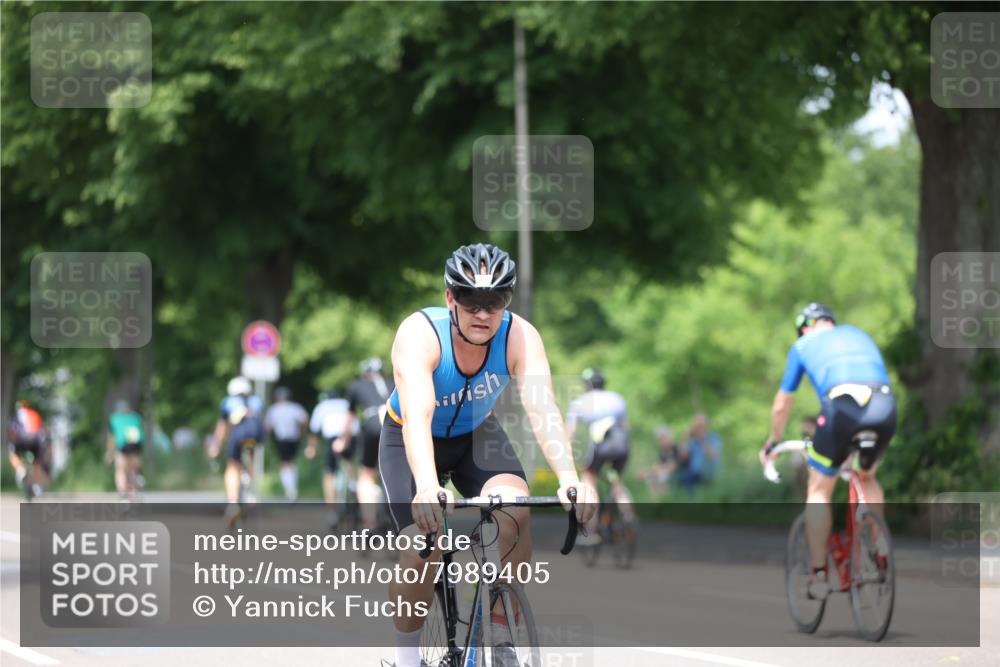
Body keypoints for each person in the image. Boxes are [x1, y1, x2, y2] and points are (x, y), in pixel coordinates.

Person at [379, 243, 596, 667]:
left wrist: (570, 477)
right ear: (449, 299)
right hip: (409, 436)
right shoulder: (420, 334)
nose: (483, 313)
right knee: (423, 547)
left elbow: (543, 408)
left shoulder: (520, 336)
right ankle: (406, 658)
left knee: (516, 512)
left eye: (495, 301)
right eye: (470, 300)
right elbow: (419, 416)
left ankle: (496, 634)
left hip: (475, 435)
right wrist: (426, 486)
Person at [759, 303, 896, 599]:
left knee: (819, 489)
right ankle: (880, 549)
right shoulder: (858, 334)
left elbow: (783, 404)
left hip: (843, 408)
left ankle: (819, 574)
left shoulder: (803, 344)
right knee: (866, 475)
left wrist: (773, 441)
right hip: (884, 405)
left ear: (805, 327)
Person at [565, 368, 634, 543]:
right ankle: (628, 516)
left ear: (586, 385)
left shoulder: (580, 402)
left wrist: (568, 453)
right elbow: (626, 426)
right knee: (615, 480)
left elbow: (569, 434)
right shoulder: (617, 398)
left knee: (589, 480)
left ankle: (591, 529)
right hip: (621, 445)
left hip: (600, 447)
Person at [210, 375, 265, 526]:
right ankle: (252, 491)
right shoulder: (256, 401)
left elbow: (223, 426)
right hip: (254, 437)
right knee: (251, 459)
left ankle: (233, 502)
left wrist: (216, 445)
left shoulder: (228, 402)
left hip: (238, 436)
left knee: (233, 466)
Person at [347, 356, 394, 531]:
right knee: (396, 471)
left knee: (366, 474)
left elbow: (349, 418)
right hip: (395, 424)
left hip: (373, 424)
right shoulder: (394, 383)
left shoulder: (357, 386)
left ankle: (369, 522)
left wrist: (342, 440)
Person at [305, 389, 357, 530]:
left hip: (332, 437)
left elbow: (314, 431)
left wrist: (311, 448)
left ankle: (332, 512)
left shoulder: (322, 407)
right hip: (350, 435)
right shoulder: (346, 403)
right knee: (350, 462)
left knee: (329, 474)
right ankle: (353, 485)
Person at [264, 386, 309, 501]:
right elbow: (304, 420)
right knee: (292, 462)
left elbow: (268, 426)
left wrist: (266, 438)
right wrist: (301, 432)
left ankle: (290, 490)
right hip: (294, 438)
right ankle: (292, 489)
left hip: (282, 439)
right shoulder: (295, 408)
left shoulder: (274, 409)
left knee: (285, 464)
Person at [7, 399, 50, 497]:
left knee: (12, 453)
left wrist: (14, 443)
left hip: (22, 437)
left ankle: (20, 470)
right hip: (37, 439)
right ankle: (37, 486)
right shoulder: (35, 414)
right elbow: (44, 430)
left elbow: (12, 431)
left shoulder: (17, 415)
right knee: (37, 461)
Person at [106, 399, 146, 500]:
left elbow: (112, 438)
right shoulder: (136, 417)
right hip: (137, 444)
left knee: (120, 469)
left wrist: (110, 453)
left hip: (123, 445)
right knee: (133, 467)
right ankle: (137, 479)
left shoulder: (114, 418)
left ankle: (122, 493)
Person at [639, 424, 677, 496]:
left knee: (657, 477)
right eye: (660, 439)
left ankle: (661, 498)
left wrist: (655, 470)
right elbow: (659, 464)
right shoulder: (663, 451)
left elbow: (673, 466)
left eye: (663, 439)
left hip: (674, 475)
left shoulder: (674, 449)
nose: (661, 442)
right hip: (664, 472)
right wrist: (649, 471)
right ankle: (656, 499)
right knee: (651, 477)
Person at [686, 413, 722, 481]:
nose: (699, 429)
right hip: (693, 474)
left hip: (709, 473)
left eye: (701, 426)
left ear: (707, 426)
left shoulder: (714, 437)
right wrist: (686, 436)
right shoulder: (693, 441)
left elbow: (714, 455)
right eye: (697, 426)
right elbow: (683, 456)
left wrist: (702, 440)